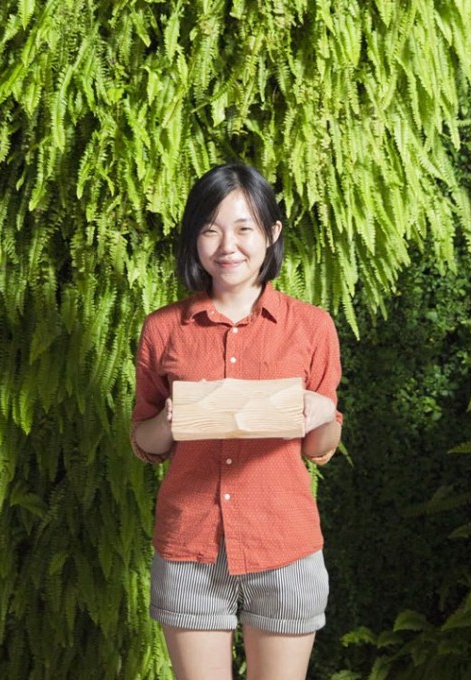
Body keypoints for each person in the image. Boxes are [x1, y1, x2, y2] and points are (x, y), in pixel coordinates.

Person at [131, 163, 342, 679]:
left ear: (271, 234)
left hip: (284, 543)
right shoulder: (163, 329)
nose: (228, 244)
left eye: (245, 228)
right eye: (210, 229)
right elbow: (145, 441)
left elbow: (321, 446)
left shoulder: (311, 327)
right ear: (194, 240)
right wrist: (169, 422)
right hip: (191, 547)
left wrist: (322, 412)